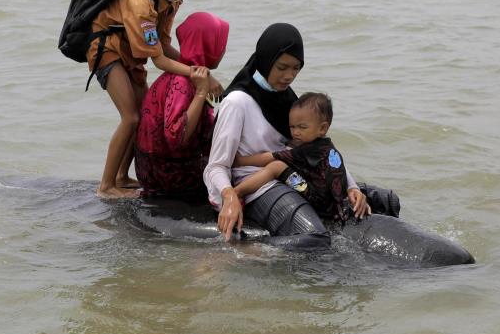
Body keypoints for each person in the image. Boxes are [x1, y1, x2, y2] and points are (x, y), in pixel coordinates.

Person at [204, 23, 371, 248]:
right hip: (257, 188)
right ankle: (253, 251)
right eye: (282, 67)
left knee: (383, 199)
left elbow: (318, 150)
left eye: (296, 69)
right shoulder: (237, 102)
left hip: (292, 175)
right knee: (316, 238)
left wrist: (351, 187)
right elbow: (215, 166)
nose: (289, 76)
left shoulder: (288, 100)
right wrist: (230, 196)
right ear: (266, 59)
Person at [85, 0, 223, 199]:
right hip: (106, 50)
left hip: (132, 55)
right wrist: (200, 77)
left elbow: (163, 45)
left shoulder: (172, 1)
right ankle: (106, 187)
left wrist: (197, 68)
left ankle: (121, 176)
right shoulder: (141, 3)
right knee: (131, 116)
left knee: (143, 114)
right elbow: (159, 60)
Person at [226, 92, 364, 224]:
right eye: (292, 127)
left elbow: (272, 157)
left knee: (277, 166)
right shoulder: (327, 147)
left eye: (302, 127)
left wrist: (241, 161)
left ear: (322, 128)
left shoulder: (307, 150)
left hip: (318, 202)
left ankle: (237, 192)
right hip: (333, 201)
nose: (295, 132)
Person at [135, 12, 228, 198]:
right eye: (221, 43)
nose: (223, 49)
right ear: (209, 45)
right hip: (168, 175)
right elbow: (177, 138)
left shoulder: (184, 72)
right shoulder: (183, 83)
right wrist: (201, 93)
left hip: (156, 168)